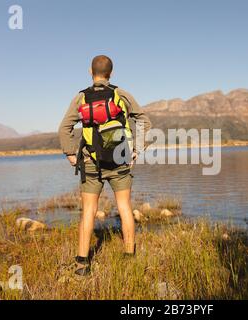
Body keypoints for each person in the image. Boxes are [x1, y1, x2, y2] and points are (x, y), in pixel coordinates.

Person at [58, 55, 151, 276]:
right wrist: (137, 149)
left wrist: (71, 154)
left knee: (88, 211)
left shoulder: (81, 97)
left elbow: (64, 128)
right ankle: (129, 256)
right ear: (111, 73)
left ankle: (82, 264)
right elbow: (144, 120)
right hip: (119, 160)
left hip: (90, 162)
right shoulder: (121, 95)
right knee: (124, 207)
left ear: (91, 72)